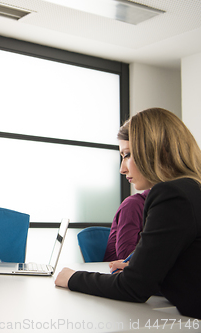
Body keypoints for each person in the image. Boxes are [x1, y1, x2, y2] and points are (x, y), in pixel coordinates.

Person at [55, 108, 201, 319]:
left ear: (158, 150)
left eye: (127, 154)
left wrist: (72, 277)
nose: (122, 168)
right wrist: (145, 269)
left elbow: (133, 288)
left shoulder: (171, 195)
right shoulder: (192, 189)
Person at [103, 124, 150, 261]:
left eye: (127, 155)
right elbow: (126, 259)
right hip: (117, 277)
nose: (122, 169)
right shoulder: (133, 204)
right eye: (124, 155)